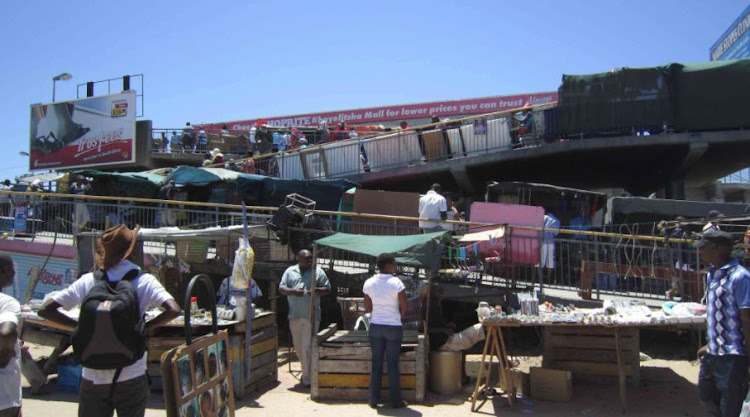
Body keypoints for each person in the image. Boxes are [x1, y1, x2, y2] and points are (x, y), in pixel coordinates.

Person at [38, 224, 181, 417]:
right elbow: (174, 310)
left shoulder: (88, 281)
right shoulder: (144, 281)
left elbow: (45, 310)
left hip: (93, 376)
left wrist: (78, 328)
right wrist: (145, 328)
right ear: (131, 251)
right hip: (132, 373)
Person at [696, 229, 750, 417]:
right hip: (714, 353)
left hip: (733, 355)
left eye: (703, 247)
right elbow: (717, 315)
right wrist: (710, 344)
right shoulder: (712, 275)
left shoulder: (740, 277)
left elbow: (746, 318)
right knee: (705, 394)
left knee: (730, 403)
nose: (699, 251)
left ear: (716, 248)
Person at [279, 249, 331, 388]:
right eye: (307, 259)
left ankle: (307, 379)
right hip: (294, 315)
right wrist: (293, 292)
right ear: (299, 259)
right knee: (298, 348)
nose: (310, 261)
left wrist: (316, 291)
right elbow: (282, 288)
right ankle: (307, 370)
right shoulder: (290, 271)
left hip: (311, 316)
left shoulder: (318, 272)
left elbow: (328, 288)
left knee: (307, 346)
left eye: (311, 259)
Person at [363, 253, 407, 409]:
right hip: (393, 327)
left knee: (376, 363)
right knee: (393, 364)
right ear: (388, 265)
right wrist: (397, 317)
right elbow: (404, 307)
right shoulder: (396, 283)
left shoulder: (369, 283)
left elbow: (368, 308)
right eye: (394, 263)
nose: (395, 266)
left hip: (375, 326)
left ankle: (373, 399)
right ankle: (396, 401)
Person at [0, 255, 21, 417]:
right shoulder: (7, 303)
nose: (14, 273)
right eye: (12, 269)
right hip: (4, 397)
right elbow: (6, 333)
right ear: (3, 271)